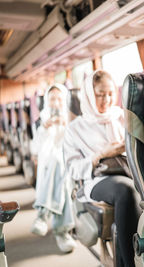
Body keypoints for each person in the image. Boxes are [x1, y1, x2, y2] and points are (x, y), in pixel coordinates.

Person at [63, 70, 140, 267]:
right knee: (126, 191)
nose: (106, 99)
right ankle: (128, 263)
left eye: (110, 93)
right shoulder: (75, 128)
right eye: (99, 94)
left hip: (130, 170)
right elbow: (72, 168)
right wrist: (100, 155)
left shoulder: (123, 117)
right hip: (95, 179)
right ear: (89, 94)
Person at [30, 84, 77, 253]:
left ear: (64, 100)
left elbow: (75, 145)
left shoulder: (72, 119)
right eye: (52, 99)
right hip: (46, 164)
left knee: (60, 166)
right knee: (61, 176)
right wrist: (44, 129)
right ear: (47, 101)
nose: (55, 103)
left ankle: (42, 214)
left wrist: (67, 127)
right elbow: (34, 149)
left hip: (67, 161)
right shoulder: (39, 121)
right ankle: (62, 232)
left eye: (59, 98)